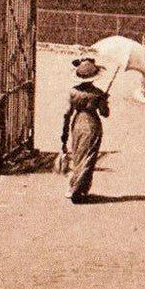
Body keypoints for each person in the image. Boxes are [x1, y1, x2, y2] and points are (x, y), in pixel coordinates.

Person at [59, 55, 110, 203]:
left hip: (77, 123)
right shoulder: (97, 94)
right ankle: (78, 188)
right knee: (89, 156)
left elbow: (66, 113)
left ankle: (76, 186)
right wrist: (104, 101)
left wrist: (64, 135)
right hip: (92, 123)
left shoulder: (73, 92)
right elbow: (105, 113)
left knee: (78, 155)